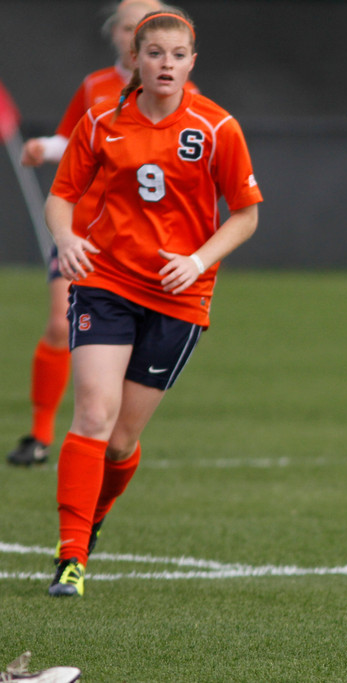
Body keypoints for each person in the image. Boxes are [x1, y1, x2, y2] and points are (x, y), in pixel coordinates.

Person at [43, 7, 262, 597]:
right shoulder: (100, 120)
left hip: (179, 295)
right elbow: (62, 196)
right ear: (134, 61)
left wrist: (197, 259)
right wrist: (66, 239)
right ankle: (71, 555)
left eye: (177, 55)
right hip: (107, 283)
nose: (165, 64)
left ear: (192, 62)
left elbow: (245, 216)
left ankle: (97, 513)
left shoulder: (217, 128)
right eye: (155, 53)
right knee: (92, 412)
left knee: (120, 441)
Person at [8, 0, 182, 466]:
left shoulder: (182, 99)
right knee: (59, 324)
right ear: (118, 35)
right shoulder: (96, 87)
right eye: (129, 28)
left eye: (144, 27)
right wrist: (44, 147)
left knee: (131, 359)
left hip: (142, 248)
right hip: (83, 233)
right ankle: (40, 435)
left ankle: (112, 435)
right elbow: (74, 140)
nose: (135, 36)